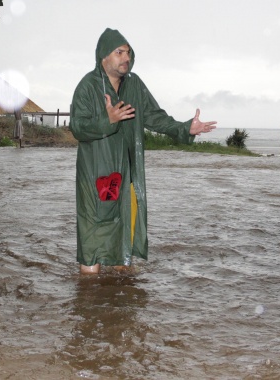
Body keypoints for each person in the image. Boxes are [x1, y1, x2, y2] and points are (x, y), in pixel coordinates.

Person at [70, 28, 216, 275]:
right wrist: (108, 120)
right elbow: (78, 128)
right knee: (93, 236)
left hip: (128, 176)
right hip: (97, 176)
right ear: (103, 57)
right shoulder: (87, 86)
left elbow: (154, 117)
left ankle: (121, 303)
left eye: (128, 52)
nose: (125, 57)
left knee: (124, 232)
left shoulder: (134, 85)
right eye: (119, 52)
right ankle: (88, 300)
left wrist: (185, 128)